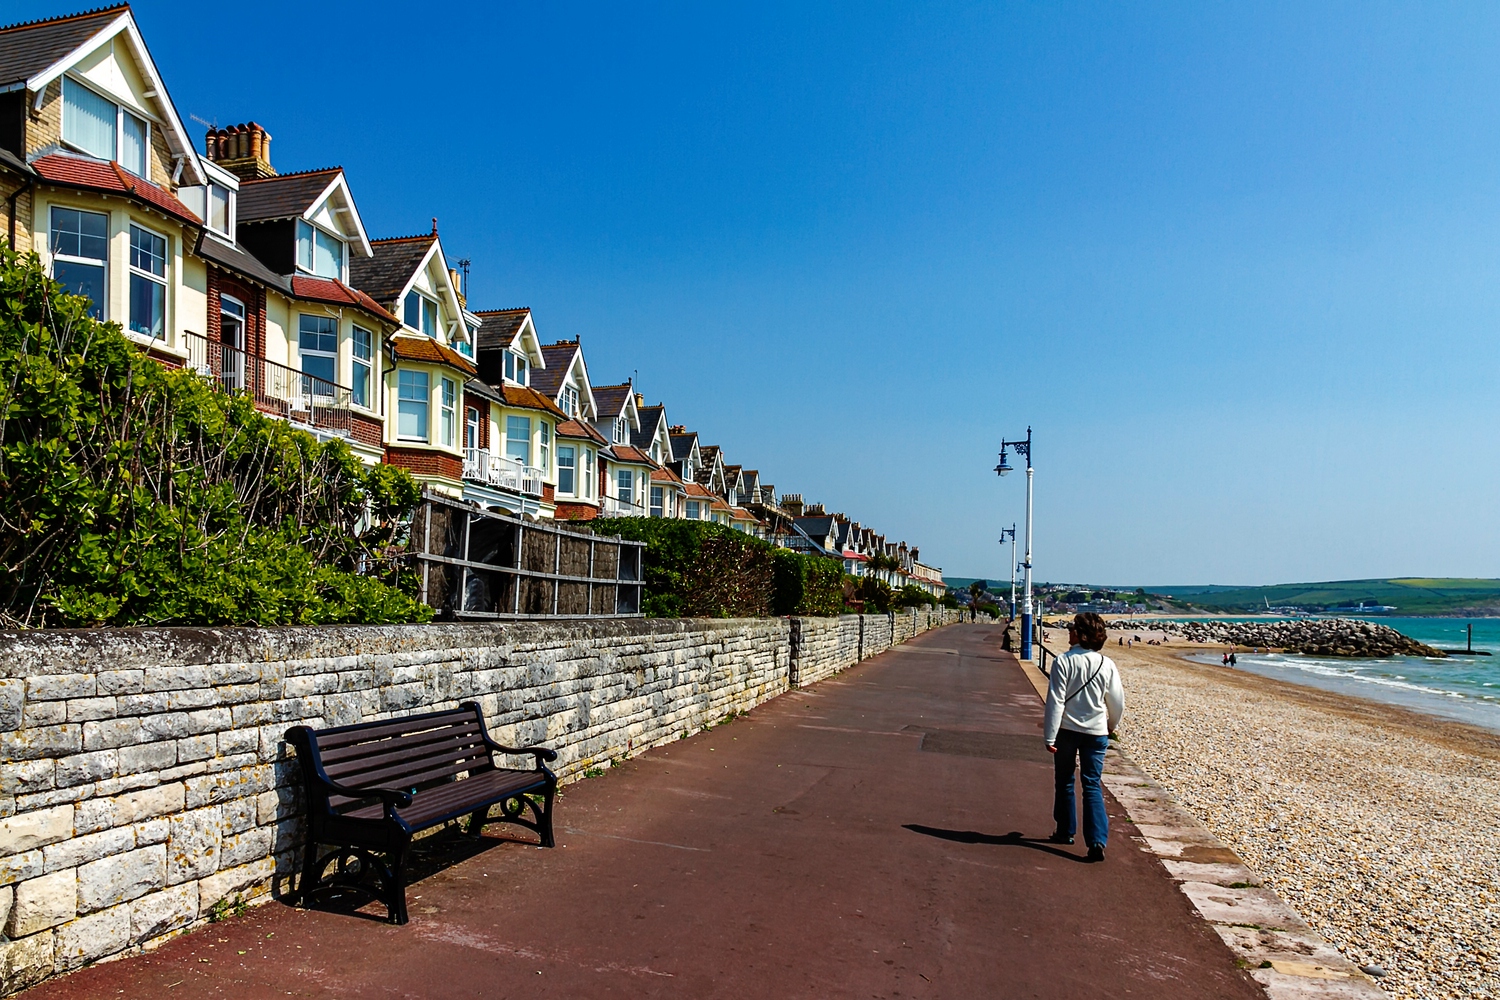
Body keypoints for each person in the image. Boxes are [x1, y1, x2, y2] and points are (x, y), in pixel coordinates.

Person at [1044, 612, 1125, 862]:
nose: (1068, 632)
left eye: (1071, 628)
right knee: (1092, 784)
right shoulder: (1106, 664)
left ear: (1079, 634)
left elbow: (1056, 701)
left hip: (1067, 731)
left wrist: (1050, 735)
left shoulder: (1063, 661)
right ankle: (1097, 841)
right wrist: (1111, 725)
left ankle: (1066, 831)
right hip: (1096, 732)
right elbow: (1117, 702)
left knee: (1065, 780)